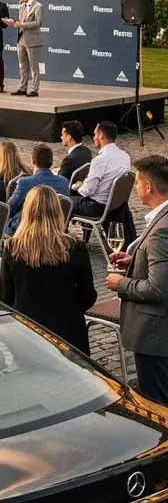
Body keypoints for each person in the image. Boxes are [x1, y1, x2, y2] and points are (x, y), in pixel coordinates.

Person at [0, 185, 96, 353]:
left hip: (27, 330)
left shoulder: (12, 248)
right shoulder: (75, 248)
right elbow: (88, 295)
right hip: (69, 330)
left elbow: (5, 296)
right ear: (58, 211)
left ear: (27, 211)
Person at [106, 153, 168, 404]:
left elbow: (158, 288)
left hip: (156, 337)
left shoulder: (161, 229)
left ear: (149, 186)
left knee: (157, 404)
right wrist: (135, 262)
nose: (136, 189)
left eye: (138, 183)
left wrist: (120, 283)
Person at [70, 121, 135, 245]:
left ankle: (60, 241)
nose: (93, 137)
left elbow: (86, 191)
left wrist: (78, 186)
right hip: (115, 205)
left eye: (95, 134)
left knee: (64, 201)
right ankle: (84, 238)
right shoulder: (125, 156)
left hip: (98, 207)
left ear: (101, 136)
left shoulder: (100, 160)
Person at [5, 143, 69, 236]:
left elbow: (10, 208)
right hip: (54, 228)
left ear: (33, 160)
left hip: (27, 230)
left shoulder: (25, 182)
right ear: (51, 161)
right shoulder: (64, 182)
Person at [12, 0, 44, 97]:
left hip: (32, 40)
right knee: (22, 65)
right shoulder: (22, 6)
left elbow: (38, 23)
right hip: (21, 39)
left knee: (34, 66)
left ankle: (35, 90)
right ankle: (22, 88)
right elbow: (22, 21)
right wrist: (13, 22)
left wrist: (22, 24)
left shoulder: (38, 6)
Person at [57, 120, 92, 184]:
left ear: (69, 137)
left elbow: (59, 181)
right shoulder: (87, 151)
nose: (61, 137)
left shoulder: (69, 160)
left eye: (62, 135)